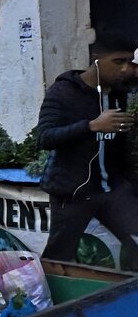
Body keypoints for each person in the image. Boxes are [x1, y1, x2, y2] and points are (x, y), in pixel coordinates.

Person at [36, 31, 138, 269]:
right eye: (117, 62)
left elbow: (119, 146)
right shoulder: (63, 92)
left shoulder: (119, 94)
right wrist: (91, 126)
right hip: (72, 192)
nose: (125, 69)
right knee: (58, 256)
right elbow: (45, 137)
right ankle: (52, 303)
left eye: (128, 62)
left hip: (112, 190)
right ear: (96, 59)